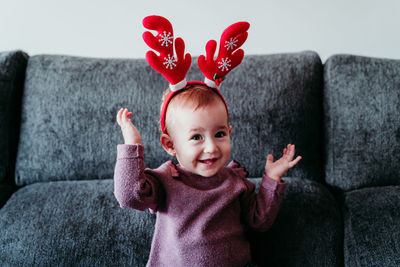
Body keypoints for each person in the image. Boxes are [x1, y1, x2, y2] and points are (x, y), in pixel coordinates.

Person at [114, 83, 302, 267]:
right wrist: (132, 145)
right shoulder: (166, 179)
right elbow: (129, 196)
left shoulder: (235, 180)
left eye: (220, 134)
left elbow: (260, 221)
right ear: (170, 145)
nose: (212, 148)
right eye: (196, 137)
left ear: (229, 132)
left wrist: (272, 178)